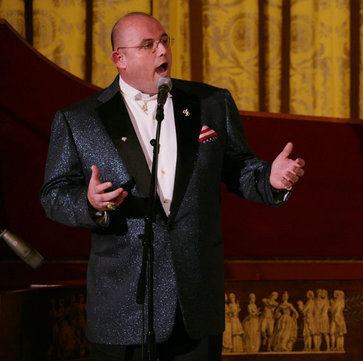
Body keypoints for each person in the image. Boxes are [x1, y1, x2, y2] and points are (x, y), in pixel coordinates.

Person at [40, 12, 305, 361]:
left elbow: (239, 167)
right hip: (123, 303)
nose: (161, 50)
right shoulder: (79, 119)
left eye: (164, 40)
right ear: (119, 58)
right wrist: (89, 203)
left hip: (193, 300)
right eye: (147, 45)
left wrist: (269, 179)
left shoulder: (211, 103)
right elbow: (54, 194)